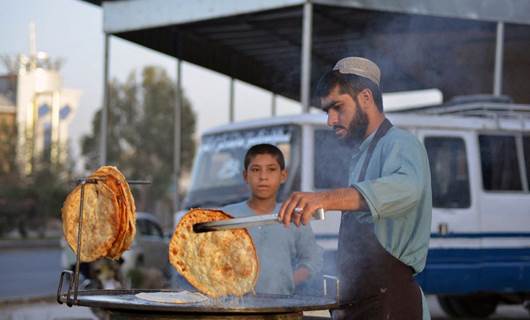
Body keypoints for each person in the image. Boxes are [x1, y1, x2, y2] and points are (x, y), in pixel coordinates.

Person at [278, 57, 432, 319]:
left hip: (392, 305)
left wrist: (324, 199)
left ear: (366, 98)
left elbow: (408, 188)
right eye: (327, 111)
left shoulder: (401, 143)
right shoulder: (360, 156)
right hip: (361, 303)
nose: (330, 120)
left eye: (337, 107)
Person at [222, 143, 323, 295]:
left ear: (283, 176)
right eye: (256, 170)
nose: (263, 177)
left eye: (271, 169)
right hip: (234, 307)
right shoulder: (227, 216)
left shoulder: (294, 217)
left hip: (281, 307)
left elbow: (313, 260)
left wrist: (287, 280)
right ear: (245, 176)